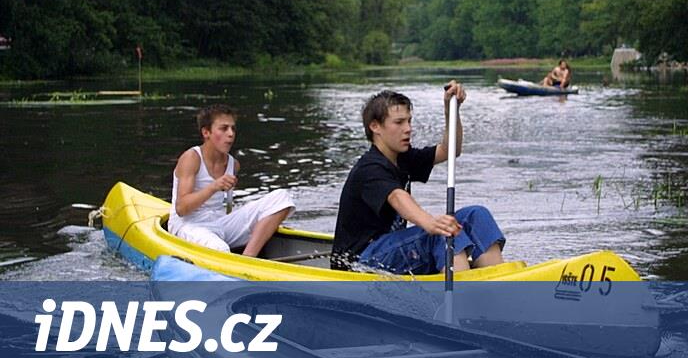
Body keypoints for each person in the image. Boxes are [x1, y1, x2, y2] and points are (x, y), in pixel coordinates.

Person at [330, 84, 505, 274]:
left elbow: (450, 149)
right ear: (375, 127)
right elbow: (397, 197)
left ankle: (497, 278)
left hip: (390, 248)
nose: (408, 129)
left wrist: (451, 110)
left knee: (476, 215)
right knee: (442, 232)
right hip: (360, 262)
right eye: (399, 123)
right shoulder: (369, 167)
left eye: (409, 121)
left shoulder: (403, 157)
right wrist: (430, 222)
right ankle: (463, 292)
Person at [170, 104, 295, 256]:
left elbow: (228, 207)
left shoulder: (233, 164)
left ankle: (248, 259)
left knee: (282, 197)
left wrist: (267, 220)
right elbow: (181, 208)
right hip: (188, 225)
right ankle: (235, 266)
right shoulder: (191, 158)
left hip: (218, 223)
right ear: (206, 132)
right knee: (220, 249)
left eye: (233, 129)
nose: (230, 134)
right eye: (223, 128)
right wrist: (213, 187)